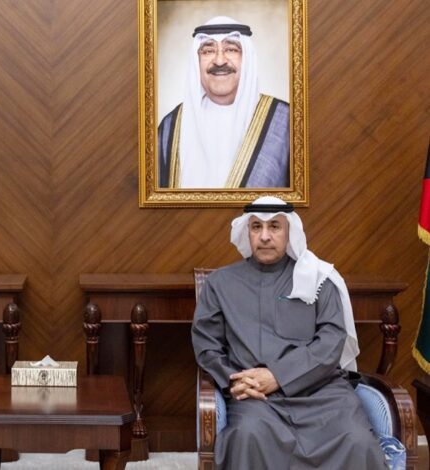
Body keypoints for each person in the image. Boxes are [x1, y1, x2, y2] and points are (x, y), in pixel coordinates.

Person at [191, 196, 385, 469]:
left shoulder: (319, 279)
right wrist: (234, 382)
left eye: (274, 226)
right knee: (248, 435)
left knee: (357, 441)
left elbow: (331, 342)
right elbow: (207, 346)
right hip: (256, 397)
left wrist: (278, 376)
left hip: (322, 393)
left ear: (289, 231)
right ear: (247, 232)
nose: (265, 236)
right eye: (256, 227)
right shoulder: (219, 283)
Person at [157, 16, 290, 189]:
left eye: (231, 49)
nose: (219, 61)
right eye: (208, 51)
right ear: (197, 62)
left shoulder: (286, 122)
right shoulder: (170, 127)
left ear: (247, 59)